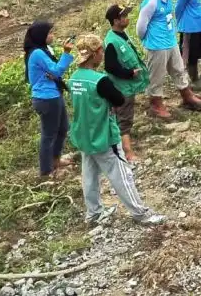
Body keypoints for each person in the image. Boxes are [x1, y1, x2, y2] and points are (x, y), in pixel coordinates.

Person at [67, 34, 165, 226]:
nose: (103, 54)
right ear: (95, 53)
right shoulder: (100, 81)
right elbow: (118, 100)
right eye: (101, 51)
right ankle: (140, 213)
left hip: (83, 134)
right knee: (121, 174)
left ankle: (93, 213)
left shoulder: (74, 79)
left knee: (89, 175)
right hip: (103, 135)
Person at [137, 0, 201, 119]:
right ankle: (156, 104)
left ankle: (187, 96)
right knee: (157, 76)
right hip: (156, 45)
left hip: (170, 41)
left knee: (179, 69)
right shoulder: (151, 2)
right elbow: (140, 27)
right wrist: (148, 40)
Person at [25, 21, 74, 178]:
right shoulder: (38, 53)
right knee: (49, 134)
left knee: (62, 128)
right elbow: (56, 70)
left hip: (53, 95)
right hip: (46, 98)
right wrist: (66, 53)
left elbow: (52, 71)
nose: (52, 35)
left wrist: (52, 73)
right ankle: (46, 171)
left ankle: (55, 160)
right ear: (41, 36)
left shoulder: (43, 50)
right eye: (50, 33)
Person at [103, 4, 149, 163]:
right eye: (124, 16)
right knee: (124, 120)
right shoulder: (111, 41)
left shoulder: (122, 35)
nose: (127, 18)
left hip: (127, 86)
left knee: (122, 118)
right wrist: (128, 73)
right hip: (122, 88)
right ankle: (127, 152)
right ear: (116, 21)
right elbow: (110, 66)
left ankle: (117, 147)